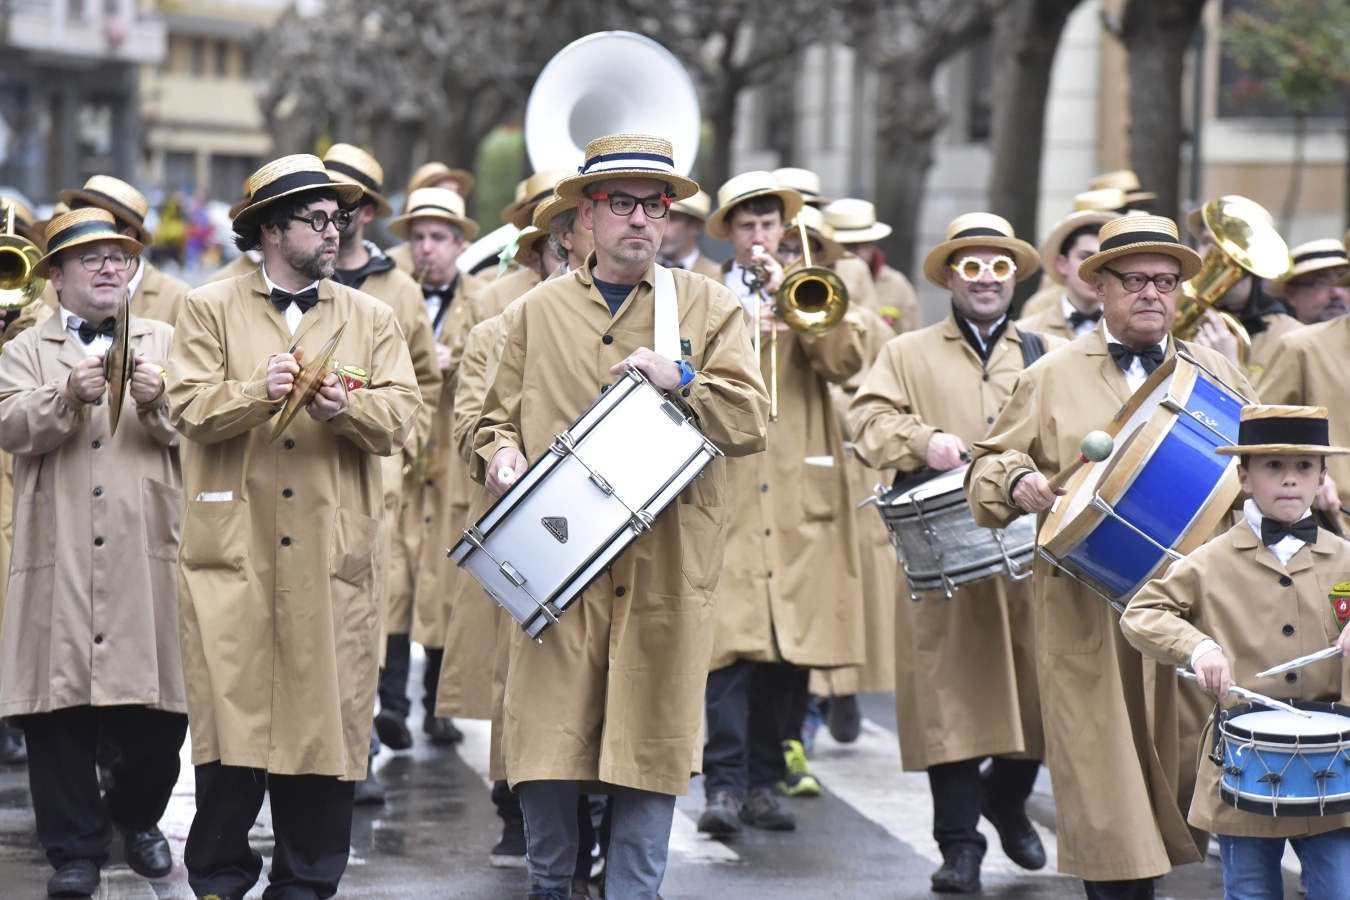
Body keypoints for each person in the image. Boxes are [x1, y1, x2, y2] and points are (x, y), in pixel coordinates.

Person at [471, 133, 768, 899]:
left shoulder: (709, 306)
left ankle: (635, 891)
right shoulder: (534, 312)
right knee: (545, 741)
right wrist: (499, 457)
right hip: (558, 565)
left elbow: (752, 422)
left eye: (655, 204)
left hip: (665, 564)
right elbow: (487, 421)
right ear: (585, 219)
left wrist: (683, 376)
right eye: (622, 203)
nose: (642, 219)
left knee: (650, 741)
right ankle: (549, 883)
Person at [966, 214, 1255, 898]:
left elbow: (1255, 475)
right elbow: (986, 469)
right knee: (1105, 798)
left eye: (1166, 281)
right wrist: (1016, 480)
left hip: (1188, 612)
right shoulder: (1051, 374)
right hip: (1084, 611)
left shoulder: (1217, 376)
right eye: (1134, 281)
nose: (1152, 293)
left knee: (1185, 774)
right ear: (1100, 287)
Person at [165, 153, 420, 899]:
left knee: (324, 724)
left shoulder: (371, 317)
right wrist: (255, 391)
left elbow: (402, 415)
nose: (333, 230)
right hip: (234, 550)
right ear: (271, 230)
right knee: (231, 722)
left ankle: (308, 880)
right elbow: (185, 406)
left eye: (338, 218)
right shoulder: (208, 306)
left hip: (327, 555)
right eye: (317, 219)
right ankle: (218, 876)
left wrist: (349, 408)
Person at [850, 213, 1057, 893]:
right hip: (944, 556)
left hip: (1032, 556)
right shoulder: (906, 352)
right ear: (949, 276)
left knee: (1041, 692)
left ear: (1016, 276)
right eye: (972, 266)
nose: (988, 279)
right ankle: (959, 845)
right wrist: (923, 440)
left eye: (1000, 266)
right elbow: (868, 422)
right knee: (952, 699)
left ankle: (1008, 797)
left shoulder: (1045, 351)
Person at [0, 208, 186, 898]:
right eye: (92, 258)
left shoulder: (169, 337)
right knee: (58, 710)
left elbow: (202, 426)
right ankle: (74, 850)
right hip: (61, 553)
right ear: (55, 278)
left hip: (146, 552)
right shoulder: (25, 348)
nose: (111, 268)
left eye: (120, 257)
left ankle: (137, 818)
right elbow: (7, 423)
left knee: (159, 708)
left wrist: (162, 401)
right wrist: (62, 397)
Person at [1120, 404, 1350, 899]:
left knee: (1340, 888)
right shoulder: (1209, 560)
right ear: (1243, 477)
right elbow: (1141, 615)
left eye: (1304, 467)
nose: (1290, 480)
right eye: (1273, 467)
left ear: (1322, 478)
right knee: (1250, 891)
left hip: (1336, 762)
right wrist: (1197, 647)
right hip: (1242, 760)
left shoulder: (1345, 555)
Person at [696, 170, 866, 836]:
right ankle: (724, 783)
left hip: (798, 489)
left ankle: (766, 782)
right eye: (747, 225)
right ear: (731, 236)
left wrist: (794, 305)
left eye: (769, 224)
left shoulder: (811, 290)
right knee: (728, 648)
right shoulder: (705, 295)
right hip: (731, 487)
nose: (760, 235)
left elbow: (847, 363)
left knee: (788, 649)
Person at [322, 142, 444, 801]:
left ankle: (358, 746)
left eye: (348, 203)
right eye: (325, 202)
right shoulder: (299, 274)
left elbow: (422, 380)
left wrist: (403, 442)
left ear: (367, 211)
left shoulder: (399, 289)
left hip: (376, 472)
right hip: (306, 473)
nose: (336, 216)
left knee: (367, 614)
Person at [385, 186, 481, 748]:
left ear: (460, 243)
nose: (426, 249)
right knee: (395, 578)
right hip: (406, 451)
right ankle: (391, 704)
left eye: (438, 238)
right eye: (418, 237)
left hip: (452, 453)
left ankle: (439, 706)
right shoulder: (393, 296)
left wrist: (460, 358)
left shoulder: (483, 299)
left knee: (447, 576)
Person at [49, 175, 190, 324]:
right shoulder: (51, 287)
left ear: (129, 236)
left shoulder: (178, 299)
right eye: (77, 224)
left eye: (95, 226)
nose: (80, 235)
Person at [824, 197, 922, 334]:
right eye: (850, 246)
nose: (861, 254)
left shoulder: (897, 285)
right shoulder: (817, 284)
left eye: (866, 244)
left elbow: (910, 340)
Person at [1017, 208, 1115, 340]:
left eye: (1103, 260)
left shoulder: (1131, 329)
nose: (1095, 269)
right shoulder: (1027, 331)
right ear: (1062, 264)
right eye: (1085, 257)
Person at [385, 160, 476, 278]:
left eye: (458, 192)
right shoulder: (391, 265)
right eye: (445, 193)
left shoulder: (477, 255)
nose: (456, 199)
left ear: (459, 243)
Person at [1267, 239, 1350, 326]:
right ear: (1291, 293)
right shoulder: (1275, 337)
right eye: (1321, 282)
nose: (1337, 293)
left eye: (1344, 281)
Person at [657, 189, 722, 279]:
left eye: (672, 218)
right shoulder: (641, 271)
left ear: (696, 226)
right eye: (660, 216)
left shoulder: (718, 277)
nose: (661, 226)